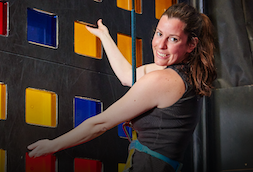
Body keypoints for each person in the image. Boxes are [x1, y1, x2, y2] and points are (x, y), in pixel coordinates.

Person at [28, 3, 216, 172]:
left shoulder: (162, 80)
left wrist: (53, 145)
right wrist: (105, 37)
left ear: (191, 44)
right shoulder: (186, 74)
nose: (161, 45)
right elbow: (128, 76)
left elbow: (100, 124)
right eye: (159, 34)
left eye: (173, 39)